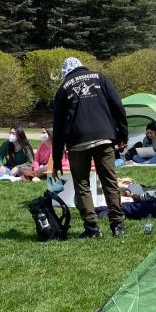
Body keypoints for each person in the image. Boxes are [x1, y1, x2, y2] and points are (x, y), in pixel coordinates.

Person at [51, 56, 127, 238]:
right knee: (109, 181)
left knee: (82, 185)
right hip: (103, 137)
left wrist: (56, 161)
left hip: (77, 142)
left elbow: (58, 127)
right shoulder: (100, 77)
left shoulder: (63, 88)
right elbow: (118, 105)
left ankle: (92, 228)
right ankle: (117, 226)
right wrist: (123, 134)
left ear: (65, 72)